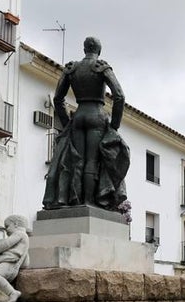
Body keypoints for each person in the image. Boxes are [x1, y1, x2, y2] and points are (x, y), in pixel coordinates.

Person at [43, 36, 130, 210]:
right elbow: (119, 95)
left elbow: (58, 98)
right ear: (99, 51)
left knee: (77, 159)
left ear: (84, 50)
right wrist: (114, 126)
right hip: (97, 116)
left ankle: (76, 200)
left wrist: (67, 121)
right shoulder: (102, 68)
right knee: (92, 161)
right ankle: (89, 202)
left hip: (78, 115)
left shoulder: (71, 69)